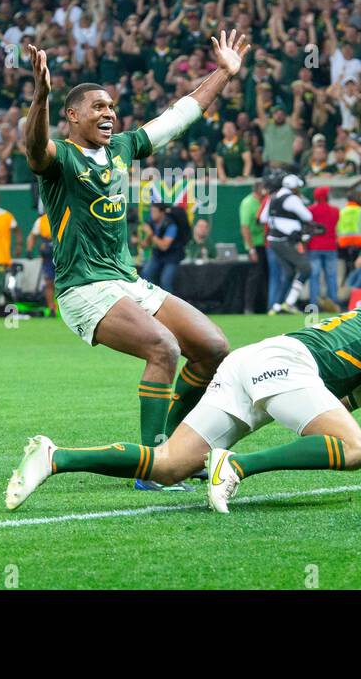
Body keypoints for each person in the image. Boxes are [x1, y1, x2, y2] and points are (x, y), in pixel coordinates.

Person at [6, 263, 361, 514]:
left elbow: (345, 400)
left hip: (252, 361)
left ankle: (55, 457)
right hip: (284, 365)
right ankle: (235, 467)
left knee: (169, 466)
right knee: (356, 451)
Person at [21, 31, 248, 488]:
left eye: (111, 108)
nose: (109, 114)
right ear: (72, 116)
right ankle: (154, 467)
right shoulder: (60, 157)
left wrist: (223, 73)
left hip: (128, 281)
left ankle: (175, 447)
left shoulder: (122, 148)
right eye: (98, 108)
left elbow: (179, 115)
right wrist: (40, 97)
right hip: (83, 287)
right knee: (162, 348)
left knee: (213, 349)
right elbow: (33, 146)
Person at [261, 173, 315, 314]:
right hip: (284, 240)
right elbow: (308, 216)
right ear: (295, 187)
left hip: (273, 240)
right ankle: (289, 303)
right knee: (306, 268)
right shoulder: (291, 199)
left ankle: (276, 307)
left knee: (289, 272)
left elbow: (263, 218)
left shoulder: (273, 197)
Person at [307, 185, 341, 312]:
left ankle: (313, 305)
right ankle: (333, 302)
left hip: (314, 247)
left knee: (314, 276)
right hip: (331, 246)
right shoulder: (335, 210)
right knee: (331, 276)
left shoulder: (310, 210)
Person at [238, 179, 268, 314]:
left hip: (266, 243)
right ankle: (248, 307)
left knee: (265, 276)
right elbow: (244, 228)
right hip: (255, 245)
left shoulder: (265, 201)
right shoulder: (248, 203)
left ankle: (265, 306)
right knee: (254, 277)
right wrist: (251, 249)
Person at [141, 202, 186, 293]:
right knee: (146, 274)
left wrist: (151, 234)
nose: (152, 214)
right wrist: (149, 236)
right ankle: (149, 298)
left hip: (172, 257)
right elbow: (144, 246)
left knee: (165, 281)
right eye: (151, 211)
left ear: (162, 213)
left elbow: (164, 246)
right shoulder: (151, 223)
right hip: (157, 255)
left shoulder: (171, 225)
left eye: (154, 212)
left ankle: (169, 305)